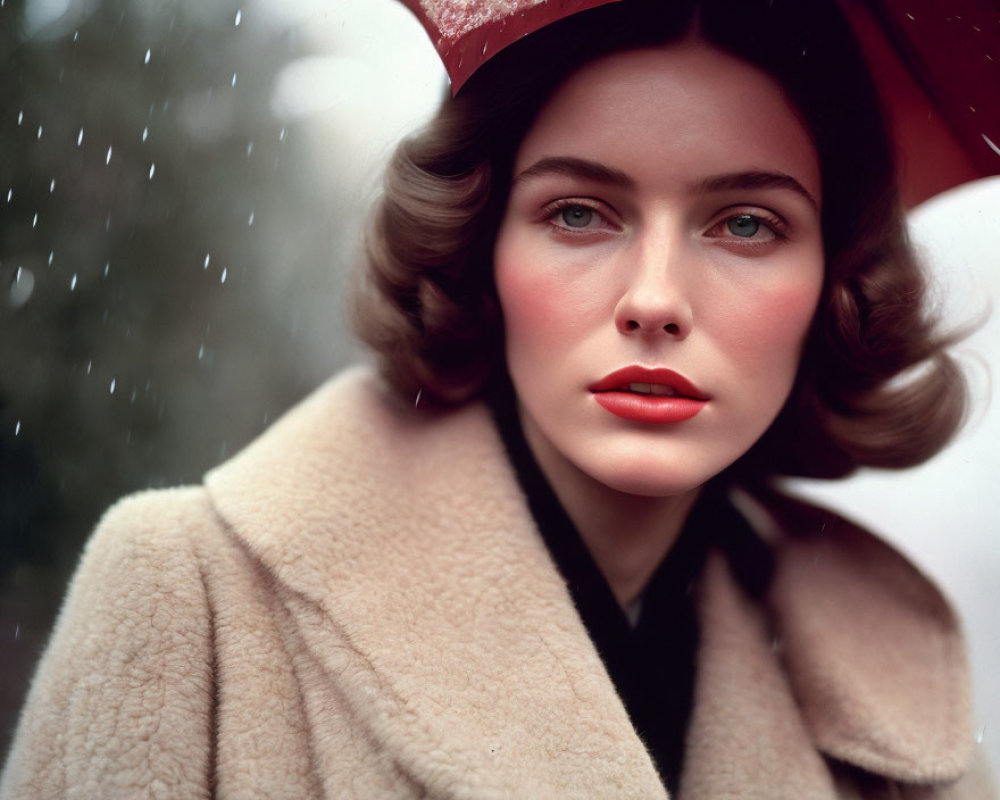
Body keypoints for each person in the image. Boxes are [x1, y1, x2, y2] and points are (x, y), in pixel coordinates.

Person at [1, 0, 993, 796]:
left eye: (744, 224)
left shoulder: (892, 706)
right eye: (577, 212)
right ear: (478, 245)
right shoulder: (192, 597)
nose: (653, 300)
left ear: (830, 282)